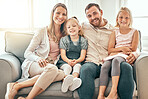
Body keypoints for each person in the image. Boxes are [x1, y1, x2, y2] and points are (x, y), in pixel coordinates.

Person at [5, 3, 68, 99]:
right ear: (52, 14)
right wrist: (38, 59)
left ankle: (17, 85)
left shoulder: (65, 34)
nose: (60, 16)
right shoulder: (42, 31)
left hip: (50, 67)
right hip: (34, 64)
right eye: (58, 13)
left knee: (62, 74)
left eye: (64, 14)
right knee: (53, 70)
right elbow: (27, 52)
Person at [77, 3, 139, 99]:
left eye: (95, 13)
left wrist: (135, 53)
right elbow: (68, 28)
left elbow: (130, 45)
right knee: (85, 69)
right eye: (89, 16)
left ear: (101, 12)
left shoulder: (114, 30)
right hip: (92, 62)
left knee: (126, 66)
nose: (93, 17)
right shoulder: (84, 27)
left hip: (109, 63)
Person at [98, 7, 139, 99]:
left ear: (130, 19)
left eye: (126, 18)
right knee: (104, 66)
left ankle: (113, 91)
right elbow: (110, 49)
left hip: (124, 56)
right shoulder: (115, 32)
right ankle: (100, 95)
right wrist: (122, 48)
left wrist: (122, 50)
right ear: (117, 19)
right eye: (121, 17)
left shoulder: (134, 32)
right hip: (116, 53)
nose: (123, 20)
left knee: (116, 61)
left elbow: (133, 48)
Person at [56, 17, 88, 93]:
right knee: (67, 68)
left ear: (79, 27)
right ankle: (65, 81)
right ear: (66, 30)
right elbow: (63, 55)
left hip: (77, 61)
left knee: (77, 67)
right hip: (65, 61)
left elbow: (82, 56)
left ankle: (73, 81)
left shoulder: (83, 40)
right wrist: (68, 61)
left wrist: (76, 61)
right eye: (69, 27)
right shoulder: (64, 39)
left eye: (74, 26)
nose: (71, 28)